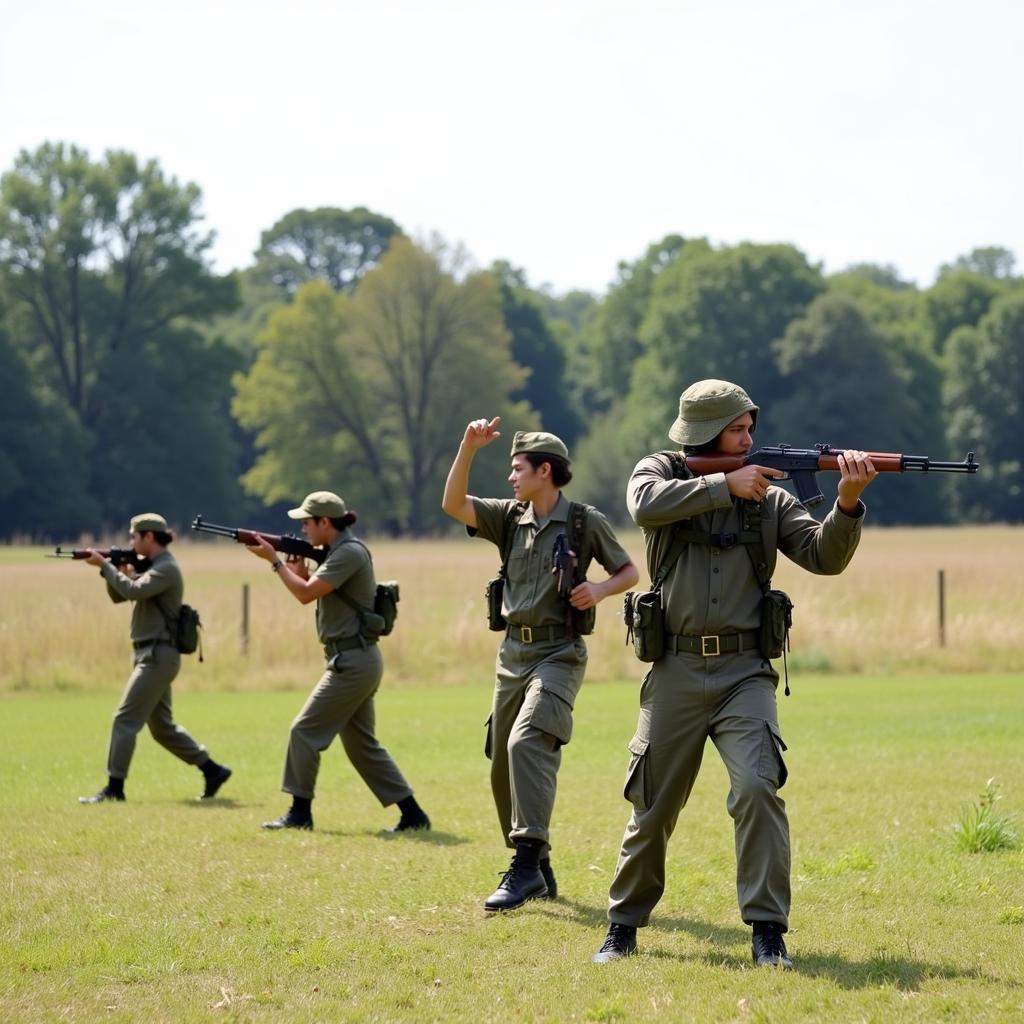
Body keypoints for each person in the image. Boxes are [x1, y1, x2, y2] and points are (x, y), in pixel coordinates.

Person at [592, 379, 877, 969]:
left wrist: (848, 503)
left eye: (751, 430)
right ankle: (622, 926)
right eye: (738, 430)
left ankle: (767, 931)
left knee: (756, 786)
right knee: (652, 803)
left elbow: (824, 557)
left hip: (746, 672)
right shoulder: (661, 472)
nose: (750, 440)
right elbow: (644, 504)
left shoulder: (771, 498)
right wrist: (723, 485)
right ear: (706, 433)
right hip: (674, 668)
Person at [442, 419, 639, 911]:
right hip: (512, 654)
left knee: (527, 741)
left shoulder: (583, 522)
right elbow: (453, 505)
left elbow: (629, 571)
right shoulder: (509, 518)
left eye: (517, 468)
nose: (510, 478)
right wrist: (467, 447)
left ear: (544, 471)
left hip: (559, 653)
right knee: (501, 765)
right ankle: (540, 868)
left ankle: (525, 865)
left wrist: (598, 590)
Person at [246, 490, 430, 834]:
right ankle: (413, 815)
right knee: (362, 746)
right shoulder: (337, 552)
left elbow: (305, 594)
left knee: (303, 732)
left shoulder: (348, 553)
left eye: (306, 522)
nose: (302, 529)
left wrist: (275, 562)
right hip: (353, 658)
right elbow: (308, 586)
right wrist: (296, 568)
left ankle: (299, 813)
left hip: (353, 661)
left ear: (325, 522)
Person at [79, 513, 232, 804]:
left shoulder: (166, 568)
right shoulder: (154, 568)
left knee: (124, 719)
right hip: (149, 654)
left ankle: (114, 788)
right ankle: (213, 770)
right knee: (162, 729)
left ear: (149, 537)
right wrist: (115, 571)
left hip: (158, 656)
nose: (130, 541)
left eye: (133, 536)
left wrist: (105, 566)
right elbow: (119, 595)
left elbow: (132, 589)